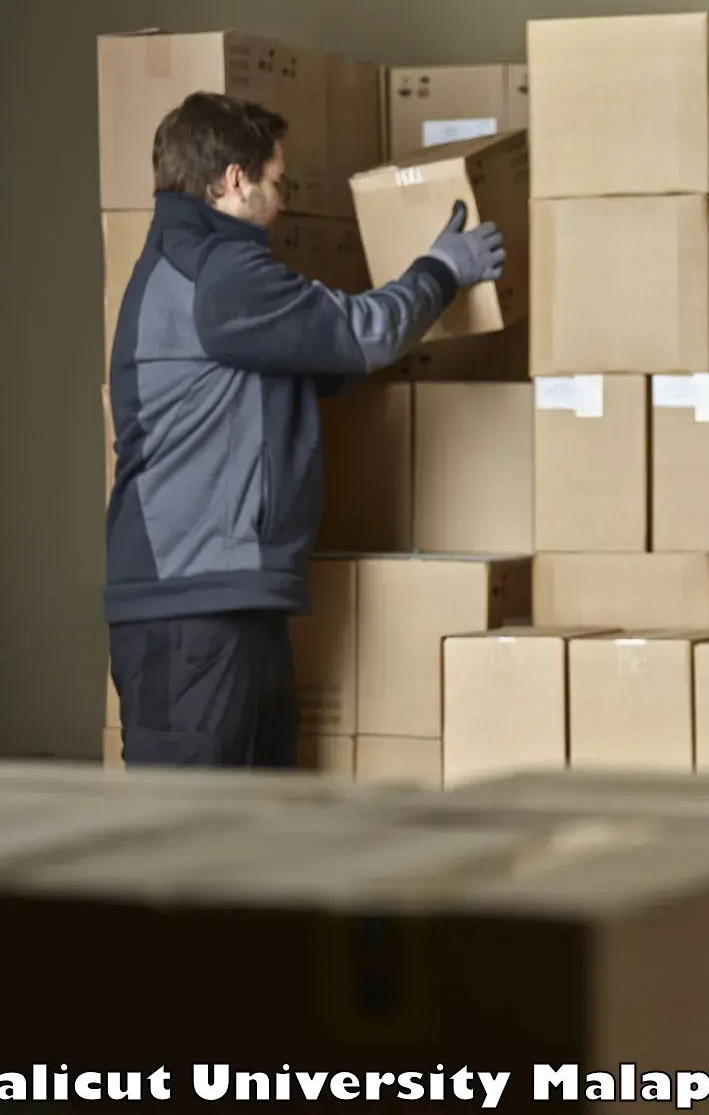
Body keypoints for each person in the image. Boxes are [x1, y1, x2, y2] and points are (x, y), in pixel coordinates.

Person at [105, 91, 504, 769]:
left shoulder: (204, 271)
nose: (282, 202)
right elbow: (356, 333)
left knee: (263, 833)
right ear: (233, 181)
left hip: (227, 596)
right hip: (193, 604)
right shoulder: (217, 274)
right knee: (188, 843)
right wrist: (440, 271)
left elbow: (325, 364)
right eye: (276, 182)